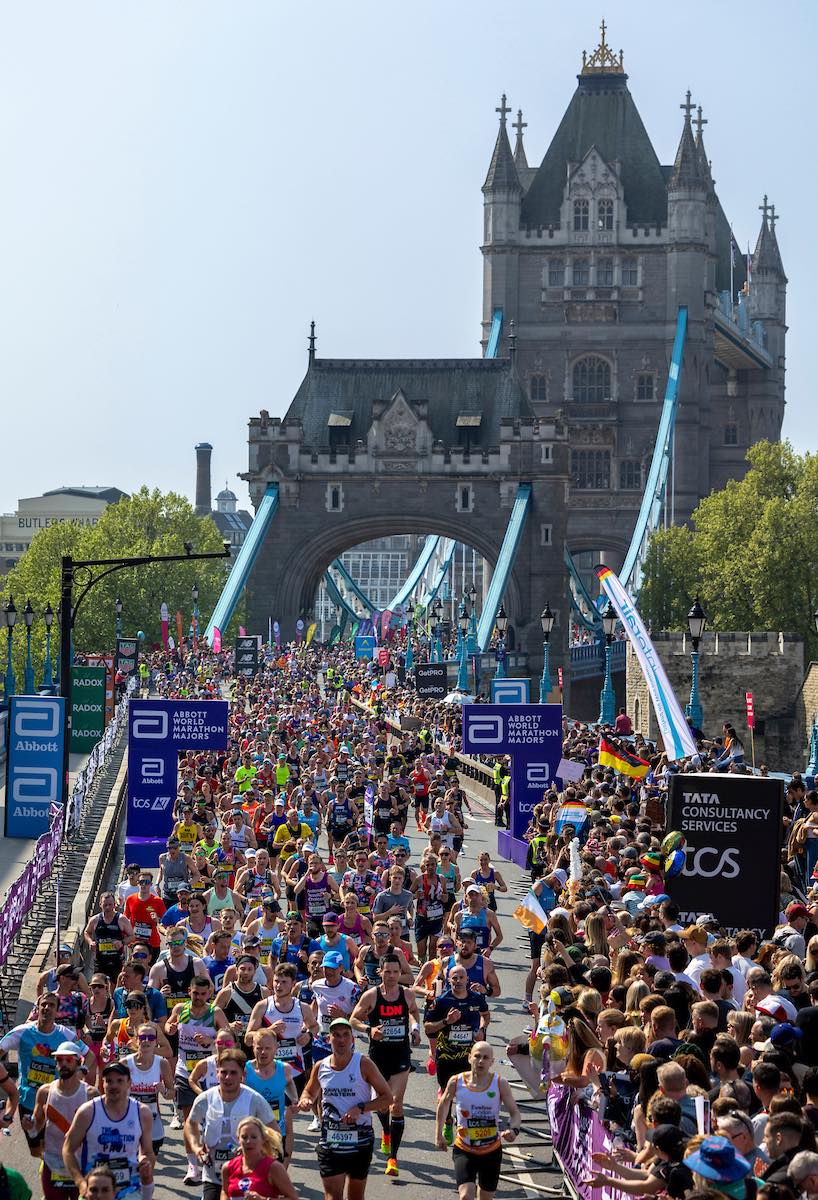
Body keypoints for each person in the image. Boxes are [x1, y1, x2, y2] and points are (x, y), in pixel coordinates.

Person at [297, 1017, 393, 1200]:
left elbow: (387, 1098)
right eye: (336, 1035)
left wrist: (362, 1108)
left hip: (360, 1139)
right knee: (333, 1196)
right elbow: (309, 1092)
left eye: (345, 1035)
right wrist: (306, 1101)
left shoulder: (363, 1064)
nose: (341, 1040)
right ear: (329, 1039)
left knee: (355, 1197)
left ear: (352, 1040)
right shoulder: (321, 1067)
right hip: (330, 1139)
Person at [350, 954, 422, 1178]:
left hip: (401, 1054)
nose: (391, 976)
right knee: (382, 1104)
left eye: (395, 972)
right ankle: (387, 1131)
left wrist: (415, 1027)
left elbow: (414, 1012)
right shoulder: (371, 996)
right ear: (380, 972)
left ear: (400, 973)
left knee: (396, 1105)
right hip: (378, 1056)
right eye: (387, 971)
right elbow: (353, 1019)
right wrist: (369, 1030)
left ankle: (393, 1157)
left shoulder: (407, 994)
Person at [0, 993, 94, 1155]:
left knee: (59, 1148)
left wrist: (80, 1072)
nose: (47, 1008)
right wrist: (6, 1081)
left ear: (57, 1011)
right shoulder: (22, 1032)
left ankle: (55, 1172)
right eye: (43, 1004)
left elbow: (90, 1055)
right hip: (28, 1101)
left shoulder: (65, 1034)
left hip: (57, 1102)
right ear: (37, 1008)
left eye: (51, 1005)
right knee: (36, 1151)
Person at [435, 1042, 521, 1200]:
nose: (481, 1061)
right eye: (477, 1056)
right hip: (464, 1149)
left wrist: (514, 1130)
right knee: (466, 1196)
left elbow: (515, 1113)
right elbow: (443, 1104)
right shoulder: (456, 1081)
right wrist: (438, 1134)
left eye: (485, 1057)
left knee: (485, 1198)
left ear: (492, 1062)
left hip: (491, 1151)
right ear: (469, 1058)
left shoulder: (500, 1083)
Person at [186, 1050, 276, 1194]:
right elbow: (191, 1124)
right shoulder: (205, 1099)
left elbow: (274, 1132)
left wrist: (257, 1148)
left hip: (247, 1175)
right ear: (217, 1073)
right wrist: (196, 1147)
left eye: (233, 1073)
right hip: (212, 1175)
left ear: (243, 1075)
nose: (228, 1077)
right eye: (224, 1072)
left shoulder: (255, 1099)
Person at [63, 1061, 154, 1200]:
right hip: (95, 1191)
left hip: (128, 1189)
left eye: (119, 1081)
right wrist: (81, 1183)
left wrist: (145, 1163)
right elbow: (68, 1150)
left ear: (129, 1083)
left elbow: (148, 1152)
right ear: (103, 1083)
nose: (114, 1086)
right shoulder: (87, 1112)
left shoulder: (142, 1113)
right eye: (109, 1081)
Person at [425, 965, 490, 1145]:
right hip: (446, 1057)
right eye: (454, 978)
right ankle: (447, 1121)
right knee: (447, 1095)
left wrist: (481, 1029)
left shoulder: (476, 998)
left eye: (461, 977)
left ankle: (466, 1131)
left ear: (467, 979)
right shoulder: (442, 1001)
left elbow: (485, 1014)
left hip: (469, 1057)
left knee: (468, 1094)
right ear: (448, 980)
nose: (458, 981)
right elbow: (428, 1027)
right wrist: (447, 1021)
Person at [26, 1041, 98, 1200]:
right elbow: (36, 1128)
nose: (63, 1064)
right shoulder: (45, 1092)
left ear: (78, 1062)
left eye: (68, 1060)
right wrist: (30, 1128)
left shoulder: (91, 1094)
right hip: (53, 1164)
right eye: (59, 1060)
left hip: (82, 1165)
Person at [166, 975, 229, 1132]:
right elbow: (168, 1024)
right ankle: (192, 1155)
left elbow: (229, 1040)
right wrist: (170, 1029)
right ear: (189, 991)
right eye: (195, 993)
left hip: (209, 1072)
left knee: (211, 1120)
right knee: (190, 1120)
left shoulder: (216, 1013)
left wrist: (211, 1040)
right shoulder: (181, 1009)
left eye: (203, 994)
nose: (199, 997)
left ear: (209, 994)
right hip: (184, 1069)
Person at [122, 1024, 174, 1156]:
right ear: (136, 1040)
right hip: (128, 1121)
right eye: (142, 1037)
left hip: (152, 1122)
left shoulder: (162, 1063)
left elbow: (171, 1094)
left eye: (151, 1037)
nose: (146, 1041)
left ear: (156, 1042)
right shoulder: (125, 1063)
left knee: (148, 1166)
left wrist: (164, 1091)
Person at [220, 1116, 298, 1200]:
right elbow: (225, 1192)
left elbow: (293, 1198)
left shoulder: (273, 1168)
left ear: (263, 1139)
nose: (249, 1141)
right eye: (244, 1137)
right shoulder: (228, 1167)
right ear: (238, 1139)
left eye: (254, 1137)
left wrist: (263, 1199)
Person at [84, 894, 134, 984]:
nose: (107, 907)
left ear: (114, 904)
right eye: (105, 905)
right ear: (100, 904)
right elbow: (87, 932)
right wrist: (90, 942)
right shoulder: (95, 919)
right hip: (100, 960)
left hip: (116, 959)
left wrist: (122, 942)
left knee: (116, 984)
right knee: (99, 983)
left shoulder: (121, 919)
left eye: (110, 904)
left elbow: (132, 936)